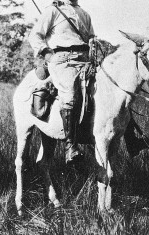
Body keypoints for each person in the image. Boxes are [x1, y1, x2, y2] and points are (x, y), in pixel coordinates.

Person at [29, 0, 95, 163]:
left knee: (112, 91)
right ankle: (70, 147)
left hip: (85, 60)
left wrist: (93, 48)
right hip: (63, 61)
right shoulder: (52, 10)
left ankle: (133, 140)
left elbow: (91, 38)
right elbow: (35, 36)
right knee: (70, 95)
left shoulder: (83, 13)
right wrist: (47, 54)